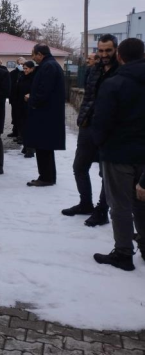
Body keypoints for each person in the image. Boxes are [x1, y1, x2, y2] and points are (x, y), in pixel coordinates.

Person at [91, 38, 145, 271]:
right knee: (142, 202)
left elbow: (102, 121)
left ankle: (123, 253)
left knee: (120, 205)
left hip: (118, 154)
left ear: (120, 56)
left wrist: (101, 144)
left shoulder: (114, 83)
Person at [61, 34, 118, 225]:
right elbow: (88, 97)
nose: (104, 54)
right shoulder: (95, 70)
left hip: (109, 132)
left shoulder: (121, 72)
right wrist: (82, 118)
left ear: (115, 49)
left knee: (105, 174)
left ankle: (102, 211)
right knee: (79, 167)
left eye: (108, 50)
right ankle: (86, 203)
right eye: (101, 50)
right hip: (88, 127)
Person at [23, 44, 65, 187]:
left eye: (33, 54)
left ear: (40, 54)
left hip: (45, 115)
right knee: (44, 147)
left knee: (43, 146)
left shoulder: (49, 67)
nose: (33, 57)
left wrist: (32, 99)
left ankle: (46, 177)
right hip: (47, 113)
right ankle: (47, 176)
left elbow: (44, 91)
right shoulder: (51, 65)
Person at [17, 60, 36, 158]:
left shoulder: (35, 78)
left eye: (26, 68)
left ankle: (30, 148)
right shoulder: (22, 77)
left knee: (29, 128)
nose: (25, 70)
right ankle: (25, 145)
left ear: (32, 69)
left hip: (30, 105)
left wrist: (31, 95)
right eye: (24, 68)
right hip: (21, 104)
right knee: (22, 126)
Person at [8, 57, 26, 139]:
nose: (21, 65)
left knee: (20, 116)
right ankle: (15, 131)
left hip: (22, 98)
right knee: (14, 115)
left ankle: (20, 134)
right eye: (20, 64)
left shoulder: (26, 73)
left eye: (22, 64)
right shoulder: (12, 73)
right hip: (14, 98)